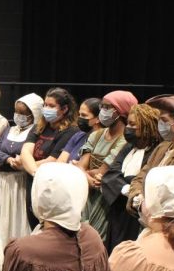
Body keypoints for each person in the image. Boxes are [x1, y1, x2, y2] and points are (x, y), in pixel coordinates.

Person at [101, 103, 163, 252]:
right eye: (128, 123)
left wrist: (131, 186)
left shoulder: (156, 150)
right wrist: (126, 188)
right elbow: (111, 173)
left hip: (137, 214)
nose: (128, 128)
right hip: (119, 210)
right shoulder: (129, 147)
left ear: (146, 126)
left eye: (133, 124)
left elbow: (147, 178)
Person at [77, 91, 136, 240]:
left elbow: (104, 172)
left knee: (97, 239)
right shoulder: (96, 135)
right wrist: (86, 173)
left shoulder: (124, 141)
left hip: (105, 200)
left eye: (107, 107)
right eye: (102, 106)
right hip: (86, 194)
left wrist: (83, 172)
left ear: (121, 111)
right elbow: (81, 166)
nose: (103, 110)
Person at [21, 87, 81, 227]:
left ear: (64, 109)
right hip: (33, 181)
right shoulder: (39, 126)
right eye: (45, 105)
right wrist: (34, 171)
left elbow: (52, 161)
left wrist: (29, 166)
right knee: (33, 225)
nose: (46, 108)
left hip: (49, 186)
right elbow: (25, 152)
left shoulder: (71, 131)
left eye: (52, 106)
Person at [0, 93, 43, 244]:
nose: (18, 116)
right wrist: (7, 159)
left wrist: (18, 161)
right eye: (17, 112)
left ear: (33, 115)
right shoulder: (9, 130)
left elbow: (30, 154)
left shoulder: (35, 132)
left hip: (21, 183)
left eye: (23, 114)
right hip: (4, 181)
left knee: (19, 216)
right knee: (3, 217)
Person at [58, 97, 101, 163]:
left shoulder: (102, 140)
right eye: (79, 114)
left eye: (84, 115)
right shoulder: (78, 135)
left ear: (98, 119)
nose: (80, 118)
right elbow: (60, 161)